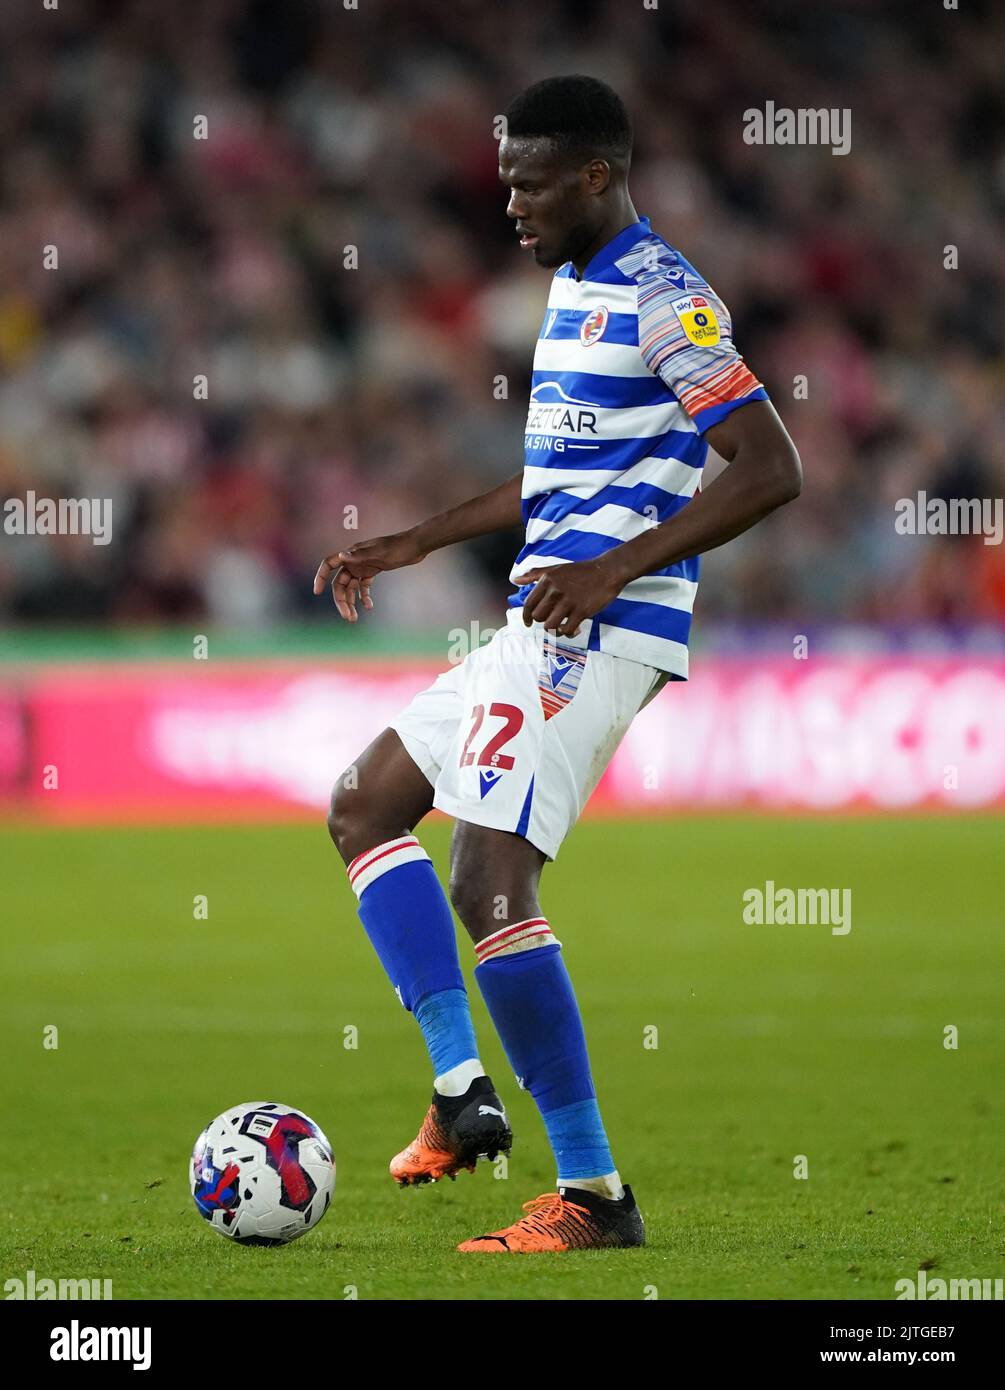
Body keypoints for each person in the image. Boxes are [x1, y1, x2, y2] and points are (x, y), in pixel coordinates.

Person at [314, 75, 801, 1253]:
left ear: (597, 176)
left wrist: (616, 569)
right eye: (506, 184)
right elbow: (555, 479)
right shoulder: (573, 290)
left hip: (600, 629)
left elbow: (769, 464)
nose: (514, 207)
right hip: (538, 620)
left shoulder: (664, 297)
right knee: (366, 804)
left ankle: (594, 1195)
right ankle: (459, 1094)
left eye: (533, 185)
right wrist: (417, 536)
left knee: (490, 876)